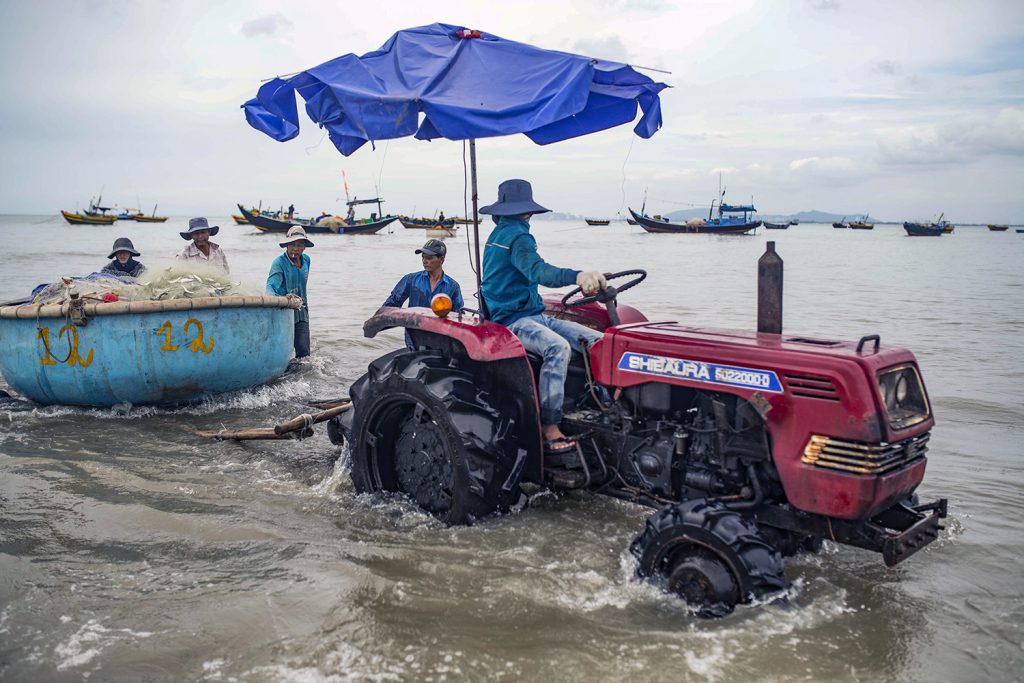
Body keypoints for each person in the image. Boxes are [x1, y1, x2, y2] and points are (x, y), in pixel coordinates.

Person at [480, 179, 607, 455]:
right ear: (528, 211)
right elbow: (537, 271)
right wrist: (577, 275)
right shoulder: (518, 235)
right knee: (557, 347)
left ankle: (603, 403)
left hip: (534, 314)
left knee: (599, 340)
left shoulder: (499, 233)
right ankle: (549, 425)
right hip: (512, 320)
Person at [381, 238, 464, 348]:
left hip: (441, 340)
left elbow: (458, 317)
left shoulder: (453, 286)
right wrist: (377, 321)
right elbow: (392, 303)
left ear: (442, 259)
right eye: (423, 257)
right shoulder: (411, 280)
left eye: (429, 258)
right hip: (414, 339)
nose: (425, 261)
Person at [267, 226, 314, 357]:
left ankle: (303, 377)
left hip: (302, 312)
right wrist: (273, 303)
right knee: (282, 353)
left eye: (299, 245)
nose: (295, 248)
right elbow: (270, 287)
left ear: (304, 247)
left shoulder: (306, 260)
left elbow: (302, 282)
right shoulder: (279, 263)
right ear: (287, 245)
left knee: (304, 353)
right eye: (292, 244)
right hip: (284, 313)